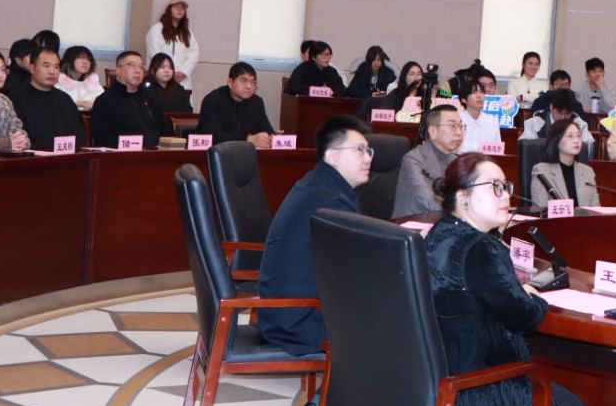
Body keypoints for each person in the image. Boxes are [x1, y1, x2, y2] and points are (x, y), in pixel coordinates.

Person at [425, 152, 601, 406]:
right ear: (463, 196)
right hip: (475, 388)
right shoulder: (481, 248)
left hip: (436, 378)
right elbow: (525, 316)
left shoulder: (440, 233)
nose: (506, 194)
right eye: (494, 187)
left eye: (506, 186)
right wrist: (534, 298)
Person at [258, 115, 374, 355]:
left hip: (286, 313)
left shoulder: (320, 185)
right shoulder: (329, 202)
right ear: (332, 156)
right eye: (359, 150)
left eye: (369, 150)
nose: (368, 158)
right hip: (301, 322)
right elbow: (356, 268)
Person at [5, 47, 87, 151]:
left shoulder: (65, 99)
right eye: (46, 66)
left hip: (66, 156)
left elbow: (79, 136)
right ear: (32, 68)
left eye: (56, 67)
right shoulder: (15, 98)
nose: (52, 71)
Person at [87, 51, 170, 149]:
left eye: (141, 67)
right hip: (124, 155)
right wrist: (135, 145)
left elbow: (165, 132)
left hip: (156, 153)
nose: (138, 70)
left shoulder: (149, 99)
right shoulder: (105, 101)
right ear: (118, 71)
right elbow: (101, 139)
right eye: (132, 65)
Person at [395, 103, 465, 216]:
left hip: (444, 221)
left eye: (460, 126)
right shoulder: (413, 159)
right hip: (412, 223)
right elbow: (430, 202)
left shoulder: (456, 160)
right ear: (433, 131)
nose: (459, 132)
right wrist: (467, 212)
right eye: (452, 126)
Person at [194, 62, 275, 147]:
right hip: (215, 153)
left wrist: (270, 138)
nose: (249, 86)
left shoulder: (257, 102)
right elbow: (212, 137)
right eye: (244, 81)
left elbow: (268, 131)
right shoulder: (213, 100)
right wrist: (248, 139)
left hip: (248, 153)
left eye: (253, 82)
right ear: (230, 82)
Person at [529, 117, 599, 210]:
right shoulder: (541, 171)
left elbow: (596, 209)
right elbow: (540, 210)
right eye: (570, 136)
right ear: (556, 140)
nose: (576, 140)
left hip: (584, 219)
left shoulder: (587, 172)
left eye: (578, 136)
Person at [144, 0, 200, 94]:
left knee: (182, 102)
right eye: (176, 6)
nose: (180, 9)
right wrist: (168, 72)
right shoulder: (157, 29)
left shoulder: (187, 32)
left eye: (182, 8)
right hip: (160, 79)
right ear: (169, 9)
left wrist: (183, 72)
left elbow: (194, 53)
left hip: (182, 80)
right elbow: (154, 54)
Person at [520, 88, 589, 140]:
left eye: (567, 114)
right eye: (560, 112)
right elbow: (525, 149)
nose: (563, 118)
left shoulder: (580, 125)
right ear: (551, 107)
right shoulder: (534, 124)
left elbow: (588, 150)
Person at [457, 78, 502, 153]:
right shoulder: (457, 120)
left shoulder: (492, 120)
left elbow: (497, 150)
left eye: (481, 92)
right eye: (473, 92)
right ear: (463, 99)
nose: (479, 96)